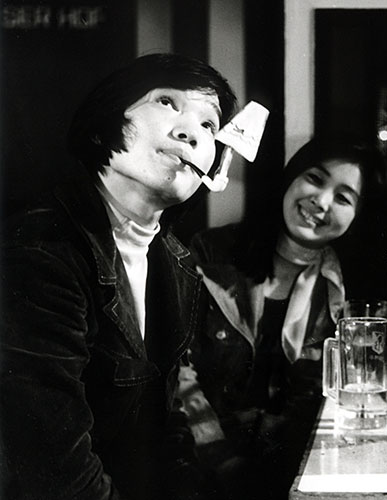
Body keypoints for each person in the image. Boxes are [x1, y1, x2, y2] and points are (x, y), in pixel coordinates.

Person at [0, 53, 237, 499]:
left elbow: (163, 425)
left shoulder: (176, 262)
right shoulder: (40, 249)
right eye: (166, 102)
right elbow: (54, 466)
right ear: (101, 123)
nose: (191, 131)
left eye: (210, 124)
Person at [177, 137, 382, 500]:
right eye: (315, 179)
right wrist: (221, 460)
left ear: (356, 217)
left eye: (343, 198)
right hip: (201, 470)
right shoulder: (211, 253)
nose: (321, 202)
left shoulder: (347, 291)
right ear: (291, 178)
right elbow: (177, 371)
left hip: (299, 475)